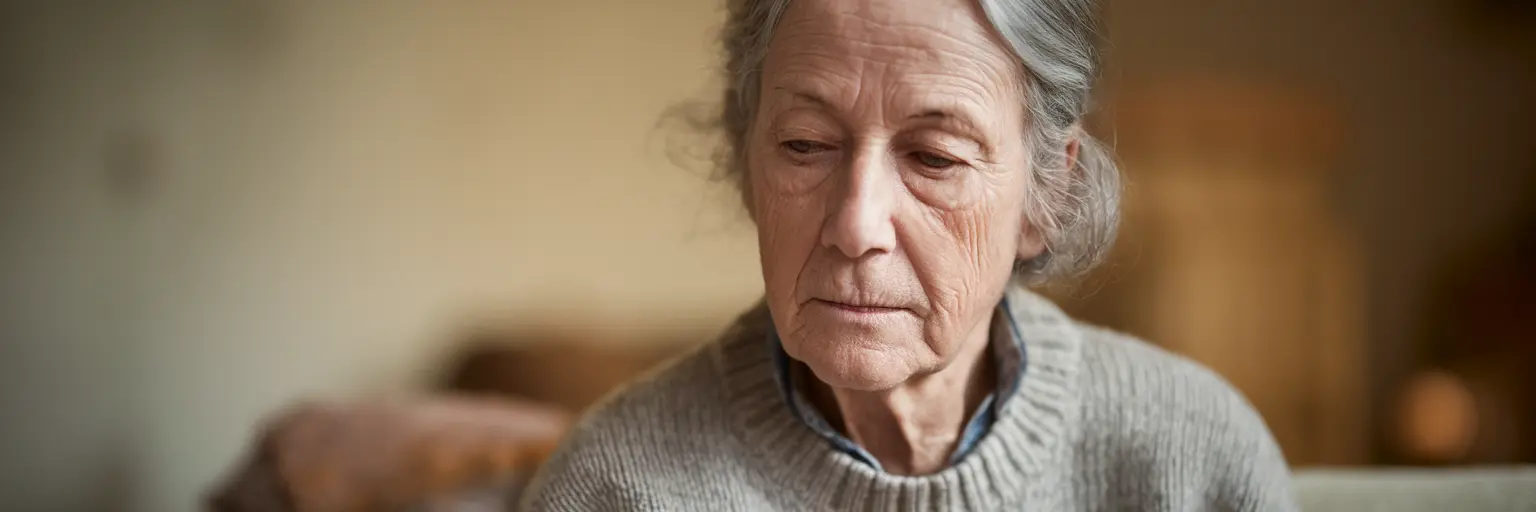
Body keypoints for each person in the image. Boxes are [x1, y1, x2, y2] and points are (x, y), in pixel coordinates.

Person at [520, 0, 1296, 509]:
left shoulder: (1192, 461)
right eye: (806, 144)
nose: (858, 225)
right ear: (747, 161)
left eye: (935, 158)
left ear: (1045, 195)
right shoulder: (620, 486)